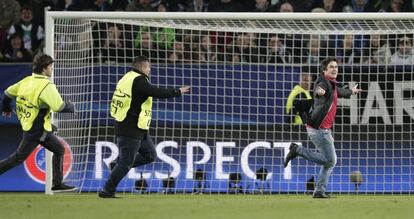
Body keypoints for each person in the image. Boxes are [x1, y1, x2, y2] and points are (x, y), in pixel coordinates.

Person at [99, 55, 190, 198]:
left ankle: (116, 166)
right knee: (126, 162)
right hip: (131, 127)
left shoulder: (126, 77)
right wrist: (177, 91)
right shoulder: (139, 81)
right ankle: (107, 190)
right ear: (141, 67)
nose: (150, 70)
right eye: (148, 67)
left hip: (138, 127)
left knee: (150, 155)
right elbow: (156, 92)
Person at [284, 57, 362, 198]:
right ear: (324, 70)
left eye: (336, 67)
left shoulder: (332, 85)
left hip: (321, 128)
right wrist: (320, 91)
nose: (335, 69)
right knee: (331, 161)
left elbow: (339, 91)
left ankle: (319, 191)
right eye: (331, 67)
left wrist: (351, 91)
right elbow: (320, 89)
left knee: (329, 162)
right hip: (319, 129)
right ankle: (298, 150)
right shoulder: (323, 82)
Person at [0, 54, 76, 192]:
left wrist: (5, 107)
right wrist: (70, 106)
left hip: (33, 125)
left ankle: (57, 183)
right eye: (51, 67)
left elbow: (7, 94)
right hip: (36, 130)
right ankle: (57, 183)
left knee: (59, 148)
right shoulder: (46, 85)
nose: (52, 69)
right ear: (44, 68)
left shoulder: (26, 81)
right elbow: (59, 107)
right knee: (17, 158)